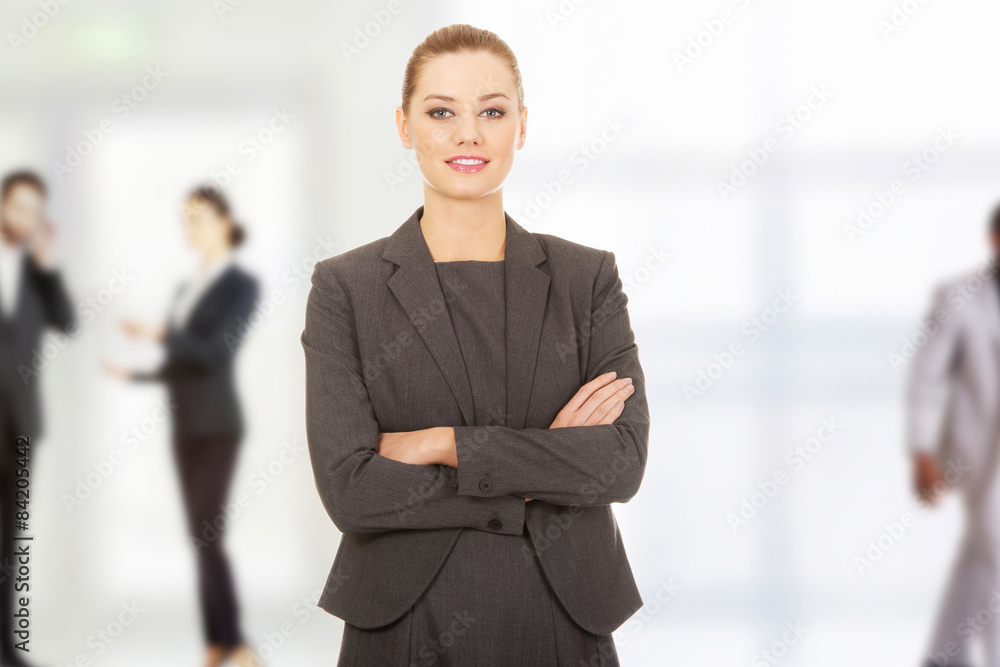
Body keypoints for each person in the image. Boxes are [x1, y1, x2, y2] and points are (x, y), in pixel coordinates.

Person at [301, 24, 650, 666]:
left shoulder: (585, 279)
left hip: (560, 611)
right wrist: (539, 469)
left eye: (492, 111)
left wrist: (447, 445)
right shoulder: (346, 288)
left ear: (521, 126)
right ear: (405, 127)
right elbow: (350, 488)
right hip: (404, 622)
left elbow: (619, 463)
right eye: (441, 113)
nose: (469, 134)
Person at [103, 186, 260, 667]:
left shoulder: (241, 284)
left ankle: (236, 643)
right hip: (184, 425)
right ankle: (215, 642)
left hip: (217, 425)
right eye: (185, 220)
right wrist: (137, 374)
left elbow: (215, 353)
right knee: (198, 535)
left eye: (200, 218)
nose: (191, 228)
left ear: (224, 222)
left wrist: (160, 332)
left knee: (209, 532)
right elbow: (180, 362)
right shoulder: (182, 289)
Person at [909, 202, 1000, 667]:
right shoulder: (960, 297)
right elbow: (927, 377)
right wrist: (922, 450)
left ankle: (946, 656)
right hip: (978, 454)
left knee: (981, 558)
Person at [0, 170, 74, 667]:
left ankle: (6, 646)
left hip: (19, 426)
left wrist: (48, 268)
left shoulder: (33, 272)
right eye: (18, 207)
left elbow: (67, 321)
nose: (25, 218)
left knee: (9, 543)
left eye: (34, 211)